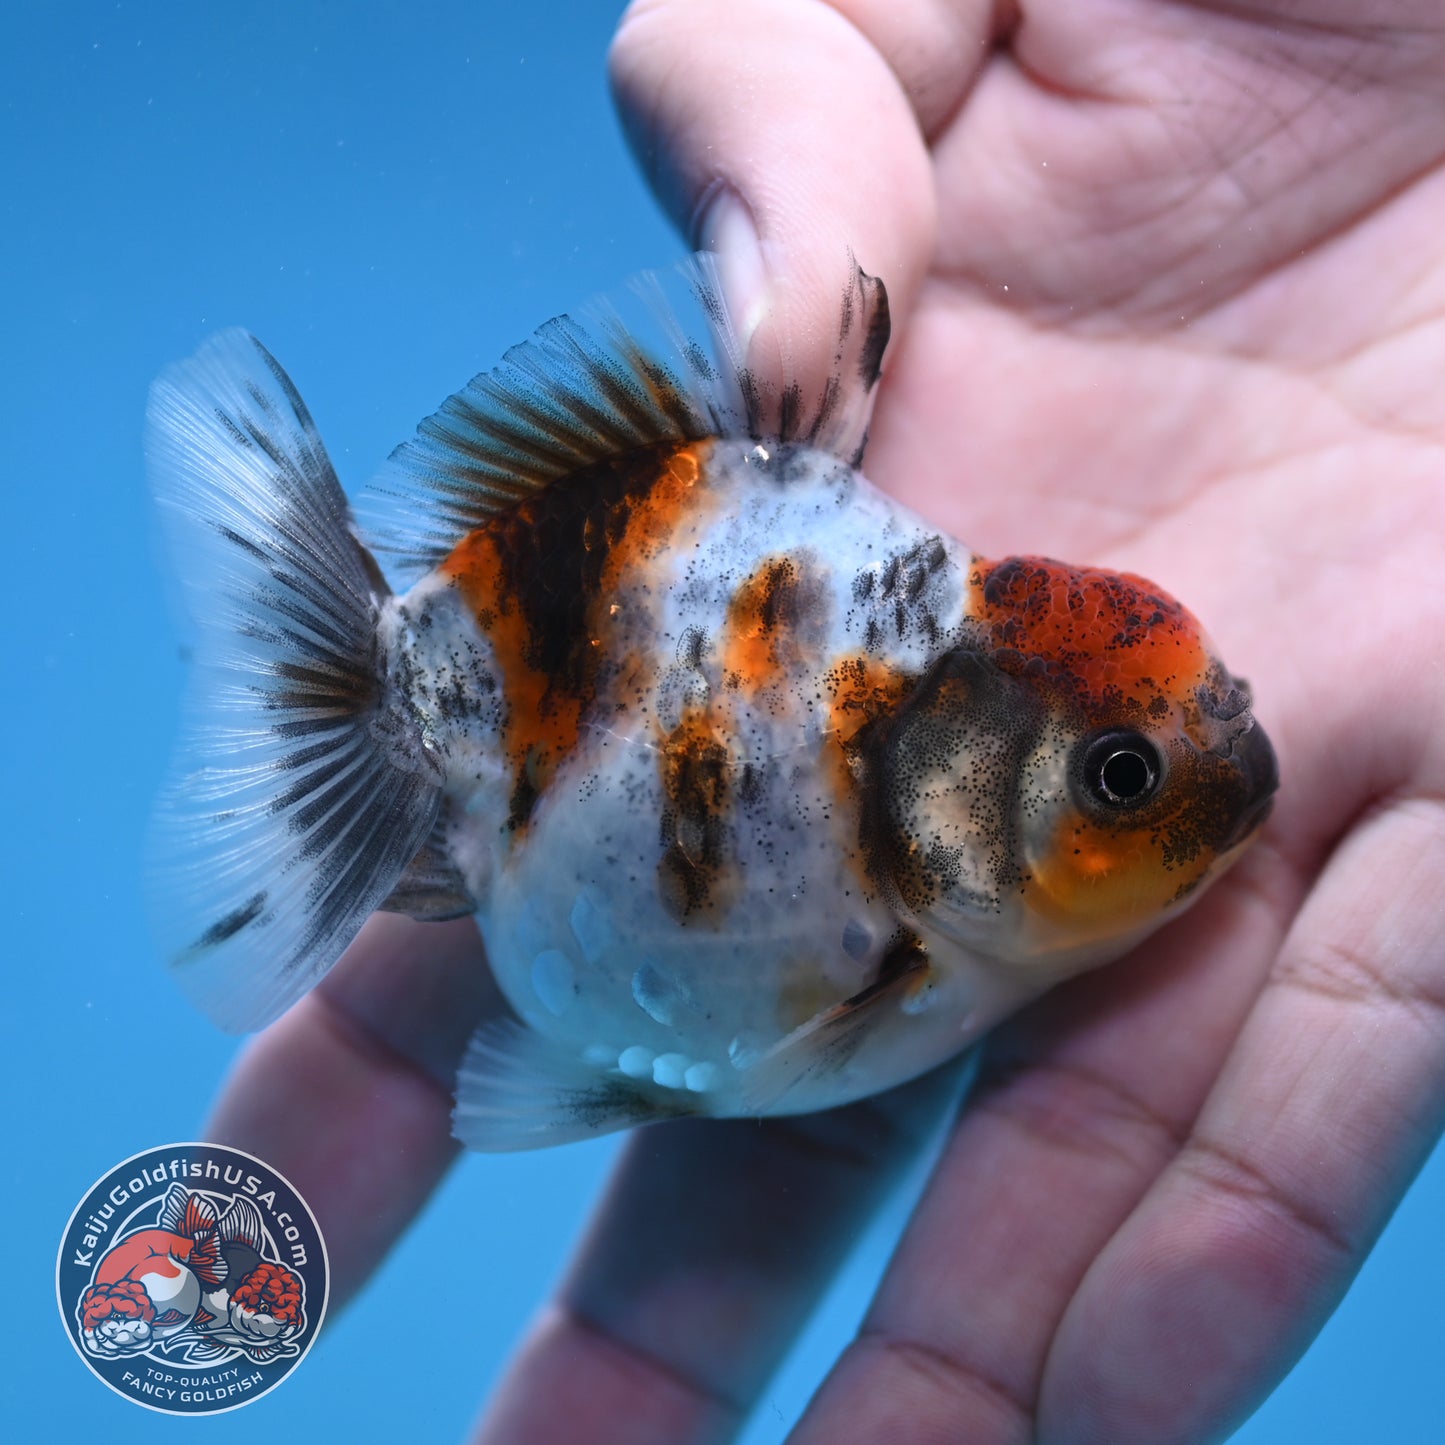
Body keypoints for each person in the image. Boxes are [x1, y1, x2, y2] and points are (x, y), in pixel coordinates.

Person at [207, 2, 1445, 1440]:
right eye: (1117, 780)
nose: (1172, 803)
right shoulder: (903, 926)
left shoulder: (929, 909)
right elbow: (597, 1075)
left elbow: (580, 1080)